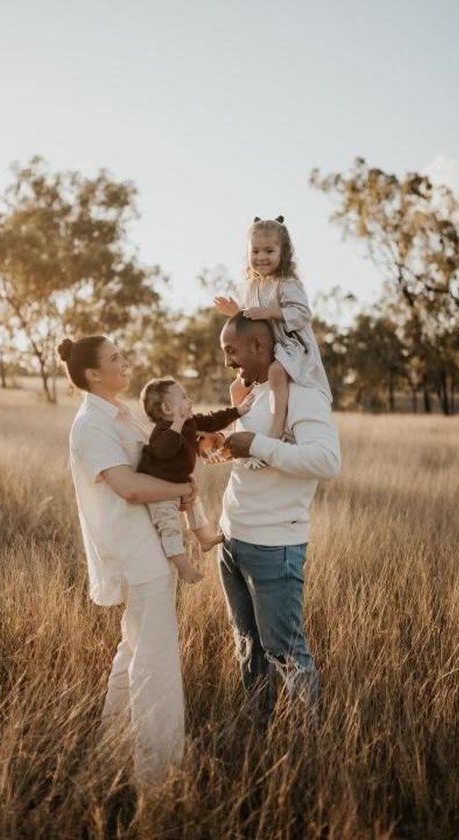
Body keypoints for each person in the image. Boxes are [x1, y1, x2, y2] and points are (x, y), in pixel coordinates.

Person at [58, 335, 193, 787]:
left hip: (147, 548)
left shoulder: (119, 414)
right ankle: (158, 778)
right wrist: (181, 491)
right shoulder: (91, 426)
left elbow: (154, 463)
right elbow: (130, 487)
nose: (127, 360)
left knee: (133, 650)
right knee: (155, 666)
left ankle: (108, 754)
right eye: (117, 357)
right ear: (93, 374)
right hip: (136, 554)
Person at [217, 312, 341, 721]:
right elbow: (251, 455)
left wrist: (256, 445)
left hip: (274, 546)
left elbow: (326, 460)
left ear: (259, 346)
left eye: (231, 351)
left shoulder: (304, 394)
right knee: (247, 643)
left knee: (285, 652)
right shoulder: (253, 393)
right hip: (232, 539)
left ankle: (310, 746)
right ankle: (258, 725)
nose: (228, 362)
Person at [213, 216, 332, 469]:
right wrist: (236, 311)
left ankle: (277, 428)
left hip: (291, 344)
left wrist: (272, 312)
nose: (261, 257)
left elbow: (303, 314)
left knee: (277, 372)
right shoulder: (251, 285)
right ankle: (235, 432)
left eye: (269, 250)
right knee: (236, 388)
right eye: (255, 251)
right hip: (267, 347)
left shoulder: (287, 284)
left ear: (283, 252)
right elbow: (250, 317)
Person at [137, 377, 253, 584]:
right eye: (183, 397)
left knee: (195, 508)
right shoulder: (161, 433)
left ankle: (205, 539)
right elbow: (165, 451)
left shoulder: (191, 422)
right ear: (167, 407)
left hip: (181, 484)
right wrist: (178, 424)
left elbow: (212, 419)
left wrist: (237, 411)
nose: (189, 400)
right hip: (159, 491)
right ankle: (183, 566)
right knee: (169, 526)